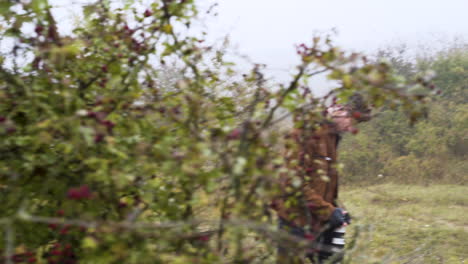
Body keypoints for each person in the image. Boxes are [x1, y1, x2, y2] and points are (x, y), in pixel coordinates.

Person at [272, 94, 371, 263]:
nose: (350, 129)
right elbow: (292, 182)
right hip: (295, 221)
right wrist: (328, 211)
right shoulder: (305, 132)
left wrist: (337, 210)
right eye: (352, 122)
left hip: (317, 220)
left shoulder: (332, 136)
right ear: (340, 109)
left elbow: (323, 185)